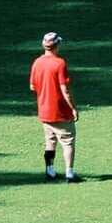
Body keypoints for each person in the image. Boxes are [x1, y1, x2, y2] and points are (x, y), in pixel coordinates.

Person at [29, 32, 78, 181]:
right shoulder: (60, 63)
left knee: (50, 142)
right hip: (60, 111)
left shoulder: (37, 62)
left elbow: (32, 86)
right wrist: (73, 108)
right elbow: (65, 90)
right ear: (56, 46)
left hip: (44, 111)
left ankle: (50, 172)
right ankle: (70, 173)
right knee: (68, 142)